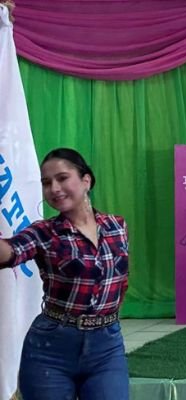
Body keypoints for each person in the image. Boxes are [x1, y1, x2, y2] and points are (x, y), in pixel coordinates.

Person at [0, 148, 129, 400]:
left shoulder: (116, 226)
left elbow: (118, 282)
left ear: (86, 180)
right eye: (46, 183)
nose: (54, 189)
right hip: (50, 349)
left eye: (62, 178)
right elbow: (11, 252)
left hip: (107, 346)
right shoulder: (44, 232)